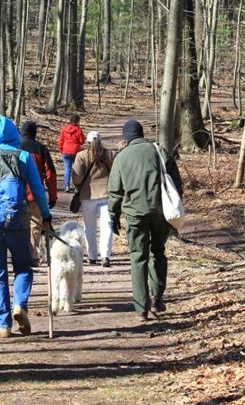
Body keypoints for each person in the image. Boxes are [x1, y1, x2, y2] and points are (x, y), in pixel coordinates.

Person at [0, 114, 52, 338]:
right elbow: (37, 191)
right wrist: (45, 215)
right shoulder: (24, 156)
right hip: (18, 220)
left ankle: (4, 324)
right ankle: (20, 304)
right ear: (14, 135)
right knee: (24, 267)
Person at [107, 119, 183, 321]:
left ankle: (141, 308)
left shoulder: (121, 158)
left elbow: (115, 191)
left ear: (126, 138)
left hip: (135, 214)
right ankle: (157, 298)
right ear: (141, 134)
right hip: (160, 212)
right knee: (158, 252)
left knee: (138, 257)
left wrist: (113, 216)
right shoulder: (158, 150)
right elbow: (176, 183)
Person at [71, 131, 114, 267]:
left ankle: (92, 256)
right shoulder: (110, 154)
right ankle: (105, 255)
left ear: (87, 142)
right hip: (106, 193)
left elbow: (76, 178)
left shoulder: (81, 156)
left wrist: (79, 183)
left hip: (87, 195)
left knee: (89, 227)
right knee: (107, 226)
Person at [19, 120, 58, 266]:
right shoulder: (41, 149)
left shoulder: (14, 147)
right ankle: (32, 254)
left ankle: (22, 253)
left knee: (19, 223)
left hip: (16, 193)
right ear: (34, 133)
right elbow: (50, 174)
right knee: (35, 224)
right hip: (35, 193)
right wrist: (53, 196)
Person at [58, 113, 85, 192]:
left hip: (66, 151)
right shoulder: (78, 130)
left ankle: (67, 186)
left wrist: (62, 149)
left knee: (67, 169)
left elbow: (60, 141)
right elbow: (82, 141)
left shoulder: (64, 129)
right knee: (77, 169)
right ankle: (77, 186)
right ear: (77, 121)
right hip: (75, 151)